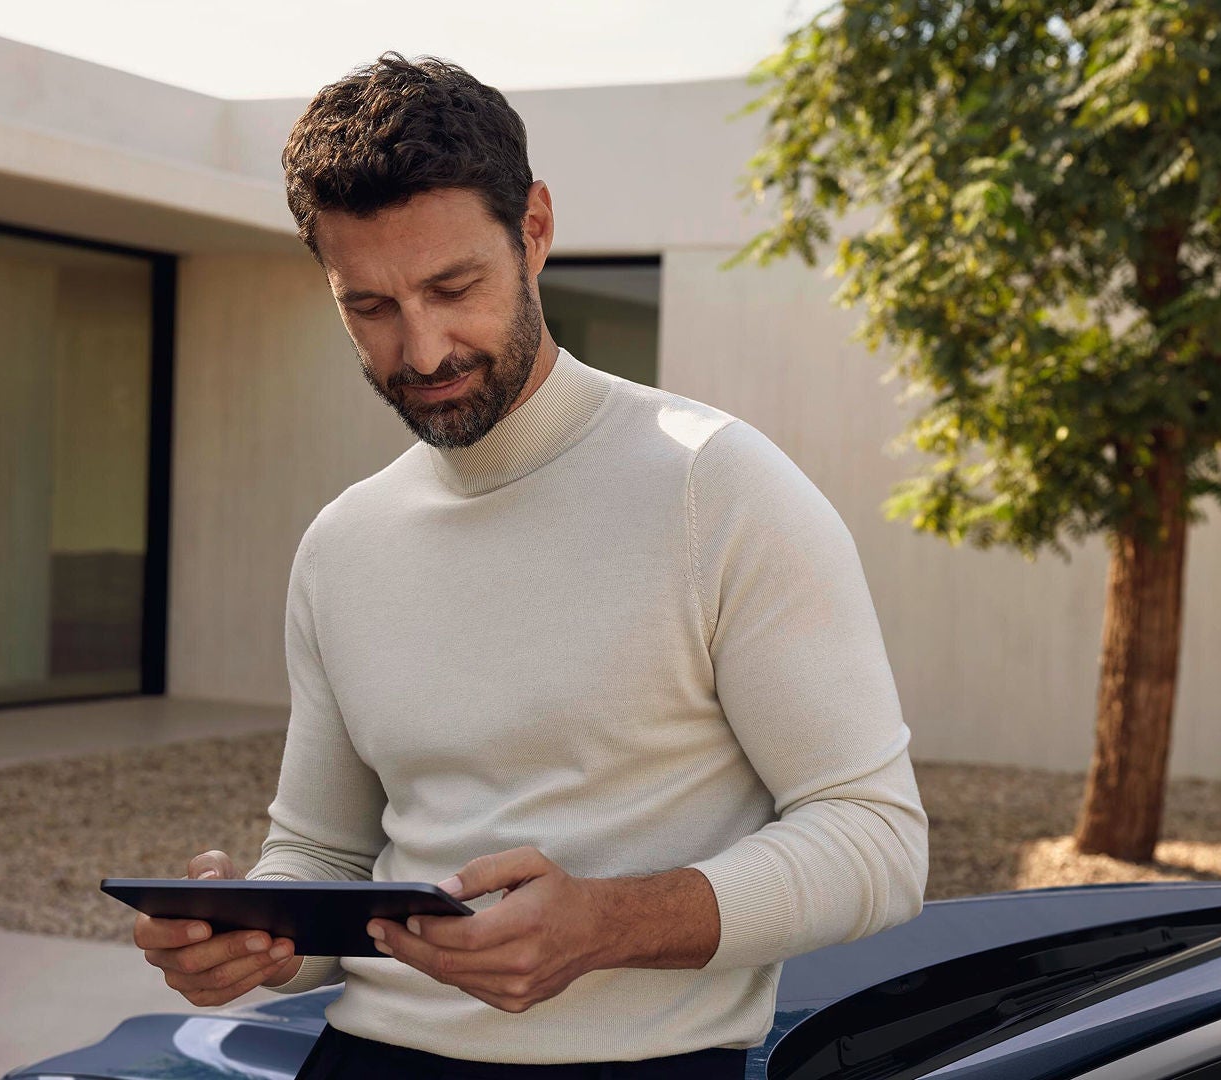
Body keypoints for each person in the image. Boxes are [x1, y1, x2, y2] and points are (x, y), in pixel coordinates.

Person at [132, 52, 929, 1078]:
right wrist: (248, 937)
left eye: (452, 287)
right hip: (367, 1057)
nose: (420, 350)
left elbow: (875, 843)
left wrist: (607, 923)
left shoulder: (715, 489)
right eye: (368, 306)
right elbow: (325, 856)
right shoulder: (345, 542)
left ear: (536, 230)